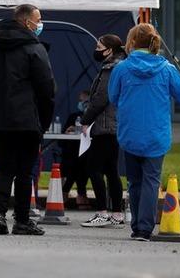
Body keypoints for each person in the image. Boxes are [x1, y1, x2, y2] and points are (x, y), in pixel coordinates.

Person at [0, 4, 54, 236]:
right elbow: (46, 88)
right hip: (26, 119)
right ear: (27, 22)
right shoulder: (34, 49)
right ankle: (22, 221)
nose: (40, 24)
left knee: (4, 168)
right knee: (25, 171)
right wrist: (42, 121)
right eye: (39, 19)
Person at [108, 24, 180, 241]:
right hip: (156, 133)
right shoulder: (166, 68)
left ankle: (136, 226)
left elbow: (113, 97)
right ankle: (145, 228)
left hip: (130, 133)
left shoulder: (121, 68)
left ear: (132, 42)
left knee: (134, 181)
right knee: (151, 180)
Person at [80, 34, 127, 228]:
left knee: (94, 168)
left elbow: (99, 98)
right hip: (114, 126)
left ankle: (102, 212)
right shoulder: (120, 66)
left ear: (109, 50)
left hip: (105, 126)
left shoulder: (110, 69)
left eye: (99, 46)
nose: (96, 50)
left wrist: (86, 120)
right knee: (111, 171)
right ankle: (117, 213)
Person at [61, 90, 90, 208]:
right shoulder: (73, 116)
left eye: (84, 101)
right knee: (75, 164)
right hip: (72, 151)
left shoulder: (92, 117)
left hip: (86, 151)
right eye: (80, 100)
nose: (82, 103)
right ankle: (81, 194)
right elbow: (63, 135)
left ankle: (66, 192)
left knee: (80, 164)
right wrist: (69, 130)